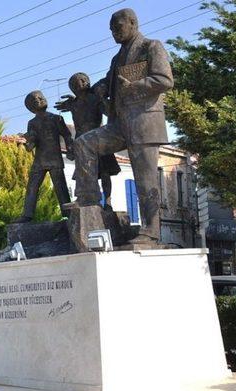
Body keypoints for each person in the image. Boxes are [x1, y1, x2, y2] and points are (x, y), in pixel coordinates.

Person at [72, 8, 174, 245]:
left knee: (145, 179)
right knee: (84, 143)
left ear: (132, 23)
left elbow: (165, 80)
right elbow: (108, 82)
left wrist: (136, 86)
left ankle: (151, 231)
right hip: (119, 124)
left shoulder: (151, 46)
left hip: (144, 122)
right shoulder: (117, 57)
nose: (113, 33)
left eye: (117, 28)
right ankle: (88, 198)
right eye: (111, 30)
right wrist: (92, 90)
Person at [55, 72, 121, 209]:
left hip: (98, 138)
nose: (81, 83)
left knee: (104, 173)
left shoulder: (94, 99)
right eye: (74, 83)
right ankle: (84, 198)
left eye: (82, 80)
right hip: (80, 139)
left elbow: (109, 113)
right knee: (82, 173)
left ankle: (107, 201)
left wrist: (102, 98)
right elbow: (68, 106)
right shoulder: (74, 103)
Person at [13, 90, 74, 223]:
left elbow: (67, 135)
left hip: (54, 159)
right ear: (31, 108)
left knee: (60, 187)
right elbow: (31, 146)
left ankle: (69, 214)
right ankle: (27, 215)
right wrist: (26, 141)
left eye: (41, 97)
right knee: (32, 186)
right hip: (39, 160)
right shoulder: (32, 123)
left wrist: (70, 149)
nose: (40, 100)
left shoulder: (56, 118)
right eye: (36, 100)